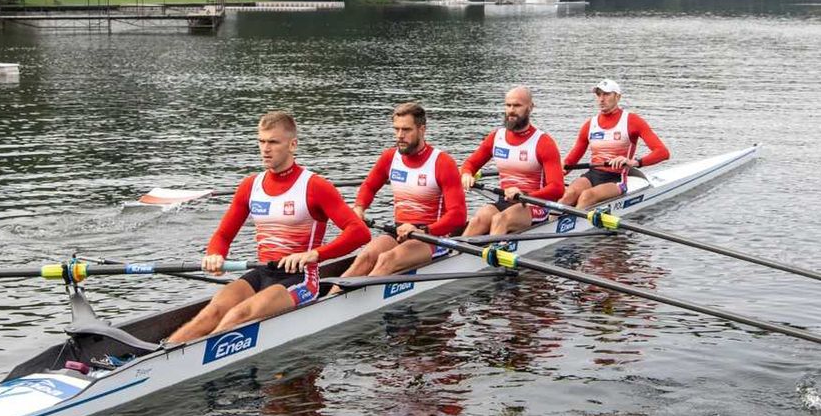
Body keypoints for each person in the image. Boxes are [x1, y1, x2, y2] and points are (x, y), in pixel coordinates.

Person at [167, 112, 370, 343]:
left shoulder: (315, 186)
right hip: (263, 270)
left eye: (273, 142)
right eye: (261, 141)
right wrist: (215, 255)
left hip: (300, 278)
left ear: (293, 145)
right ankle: (157, 356)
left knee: (238, 314)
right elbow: (223, 234)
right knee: (210, 313)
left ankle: (193, 357)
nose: (265, 149)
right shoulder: (250, 186)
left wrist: (314, 254)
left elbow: (360, 232)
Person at [337, 102, 467, 283]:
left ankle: (353, 303)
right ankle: (330, 300)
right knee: (364, 258)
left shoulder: (442, 162)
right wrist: (359, 208)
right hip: (399, 231)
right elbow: (369, 186)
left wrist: (424, 229)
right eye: (396, 129)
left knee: (386, 260)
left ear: (422, 130)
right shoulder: (390, 158)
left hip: (431, 238)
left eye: (406, 130)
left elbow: (458, 215)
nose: (400, 136)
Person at [459, 86, 565, 236]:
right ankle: (458, 257)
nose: (511, 110)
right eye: (508, 105)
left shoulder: (543, 142)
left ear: (530, 107)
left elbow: (557, 188)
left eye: (517, 105)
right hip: (505, 200)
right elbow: (470, 164)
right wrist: (466, 174)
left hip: (534, 205)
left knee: (500, 219)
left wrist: (524, 193)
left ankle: (490, 254)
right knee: (479, 219)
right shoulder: (497, 137)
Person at [560, 79, 670, 209]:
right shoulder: (590, 125)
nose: (601, 99)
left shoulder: (632, 121)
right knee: (569, 195)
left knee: (586, 196)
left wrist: (634, 162)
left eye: (606, 94)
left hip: (617, 177)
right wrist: (557, 171)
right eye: (599, 94)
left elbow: (663, 152)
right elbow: (571, 160)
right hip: (593, 174)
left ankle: (571, 225)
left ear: (618, 97)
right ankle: (549, 223)